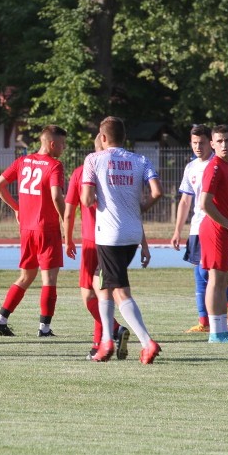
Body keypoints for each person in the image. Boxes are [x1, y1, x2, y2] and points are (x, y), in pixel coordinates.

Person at [81, 116, 163, 364]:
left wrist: (99, 194)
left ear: (102, 138)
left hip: (109, 235)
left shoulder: (94, 159)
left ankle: (147, 342)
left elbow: (86, 199)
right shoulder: (140, 160)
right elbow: (157, 192)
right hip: (132, 233)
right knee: (100, 281)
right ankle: (106, 340)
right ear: (124, 137)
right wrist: (140, 208)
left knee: (119, 290)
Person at [0, 125, 67, 337]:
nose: (64, 148)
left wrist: (17, 208)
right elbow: (56, 196)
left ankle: (0, 320)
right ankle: (44, 328)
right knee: (49, 280)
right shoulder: (55, 166)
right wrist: (65, 219)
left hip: (27, 229)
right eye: (62, 144)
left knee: (26, 276)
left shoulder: (23, 161)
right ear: (52, 144)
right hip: (47, 228)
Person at [172, 124, 228, 333]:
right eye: (194, 143)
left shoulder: (224, 164)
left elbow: (221, 199)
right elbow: (192, 202)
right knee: (208, 275)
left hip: (217, 225)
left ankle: (218, 322)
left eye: (201, 142)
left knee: (213, 276)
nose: (198, 147)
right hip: (207, 226)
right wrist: (177, 230)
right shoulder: (202, 167)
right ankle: (214, 325)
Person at [64, 134, 130, 360]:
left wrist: (68, 238)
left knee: (89, 296)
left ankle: (114, 329)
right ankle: (98, 344)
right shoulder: (118, 172)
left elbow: (70, 209)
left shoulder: (81, 171)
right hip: (115, 240)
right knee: (105, 293)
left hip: (93, 241)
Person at [198, 124, 228, 343]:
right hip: (214, 229)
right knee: (216, 280)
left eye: (227, 140)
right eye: (220, 141)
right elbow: (204, 203)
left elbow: (219, 201)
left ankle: (221, 331)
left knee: (222, 279)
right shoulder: (214, 167)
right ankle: (217, 333)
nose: (224, 144)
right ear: (213, 144)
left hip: (222, 227)